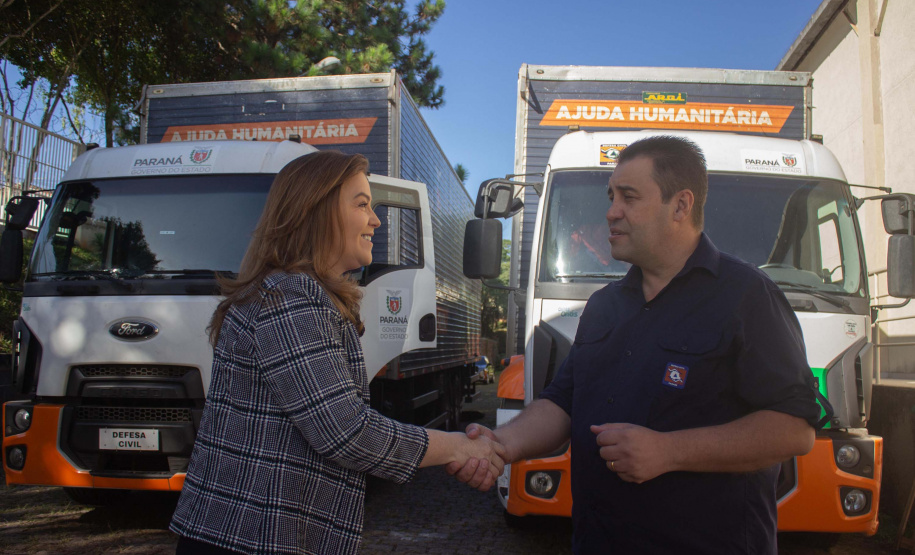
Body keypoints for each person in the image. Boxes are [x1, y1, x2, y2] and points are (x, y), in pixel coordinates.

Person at [449, 136, 822, 554]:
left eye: (628, 197)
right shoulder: (604, 306)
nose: (611, 212)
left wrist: (668, 451)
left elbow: (794, 430)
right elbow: (562, 403)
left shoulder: (747, 295)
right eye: (611, 196)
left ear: (680, 206)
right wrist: (501, 445)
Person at [170, 150, 506, 555]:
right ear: (317, 211)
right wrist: (459, 446)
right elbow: (345, 432)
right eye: (362, 204)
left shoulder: (289, 291)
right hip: (250, 538)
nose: (376, 220)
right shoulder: (292, 295)